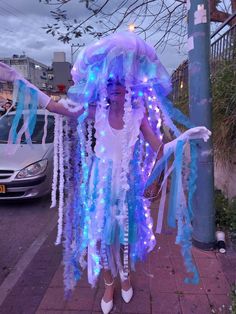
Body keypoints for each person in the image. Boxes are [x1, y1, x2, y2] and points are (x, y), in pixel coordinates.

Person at [0, 32, 211, 314]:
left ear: (130, 86)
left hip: (127, 187)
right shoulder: (94, 110)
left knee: (125, 235)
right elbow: (55, 107)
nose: (114, 88)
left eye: (120, 83)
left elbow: (160, 148)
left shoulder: (139, 115)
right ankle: (108, 283)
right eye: (110, 83)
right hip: (99, 184)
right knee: (100, 238)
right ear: (104, 86)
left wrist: (185, 139)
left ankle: (124, 276)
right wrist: (18, 79)